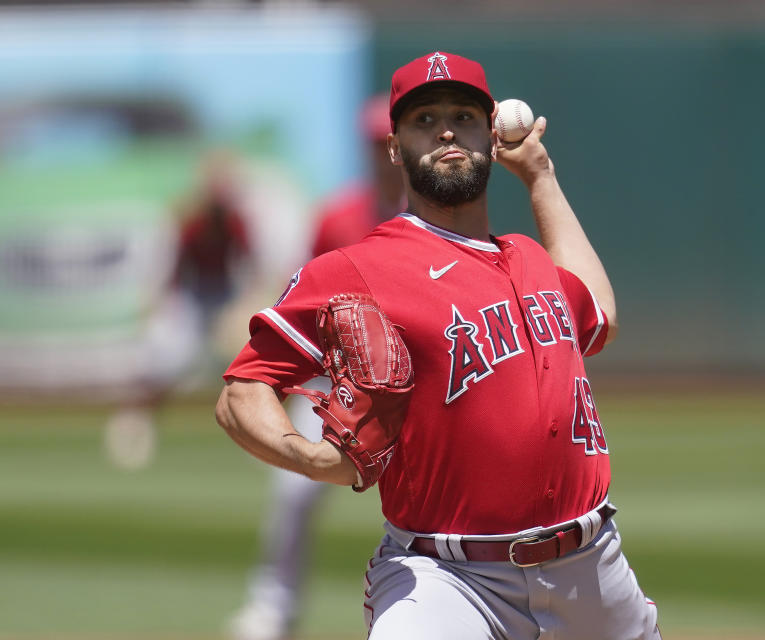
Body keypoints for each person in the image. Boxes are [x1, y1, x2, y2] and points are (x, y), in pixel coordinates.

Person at [216, 51, 661, 639]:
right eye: (424, 119)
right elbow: (242, 390)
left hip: (594, 571)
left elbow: (600, 314)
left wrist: (540, 176)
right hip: (447, 580)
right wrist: (311, 457)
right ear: (396, 147)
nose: (447, 129)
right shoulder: (356, 267)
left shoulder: (528, 256)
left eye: (464, 116)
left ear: (491, 136)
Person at [226, 94, 404, 640]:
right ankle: (273, 606)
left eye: (389, 142)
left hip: (422, 384)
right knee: (295, 492)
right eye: (374, 143)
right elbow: (298, 299)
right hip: (335, 381)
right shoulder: (339, 216)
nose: (383, 153)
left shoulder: (440, 216)